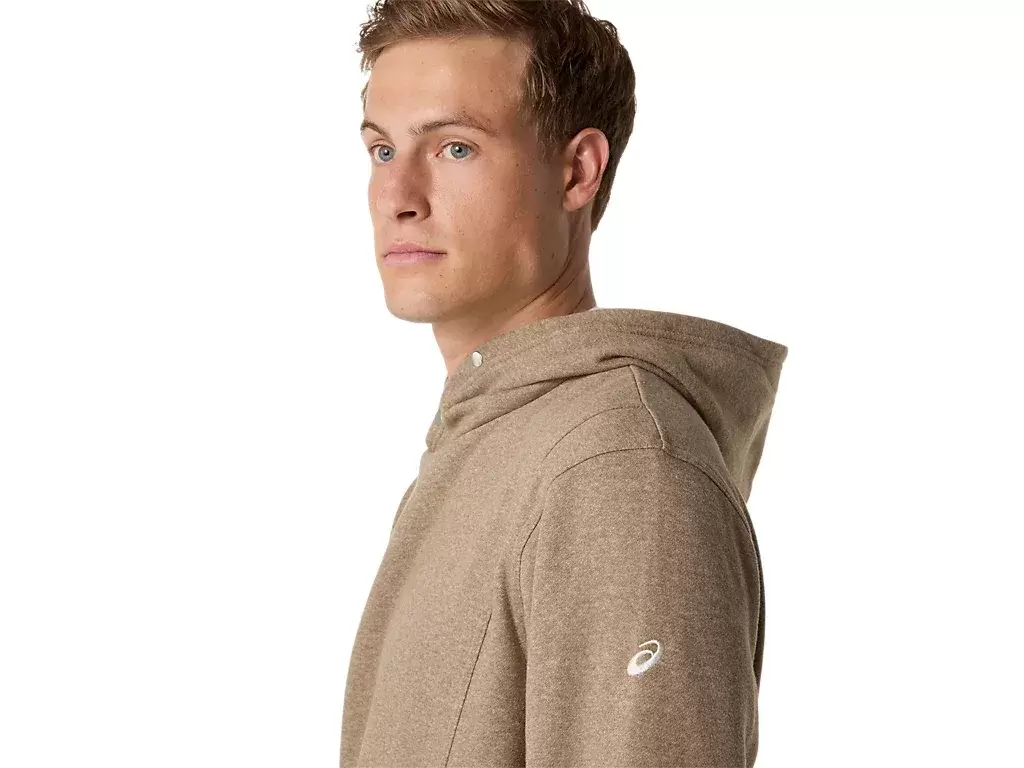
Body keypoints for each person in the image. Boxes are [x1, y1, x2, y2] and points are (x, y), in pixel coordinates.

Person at [341, 1, 788, 766]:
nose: (398, 196)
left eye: (454, 148)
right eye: (382, 151)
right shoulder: (497, 441)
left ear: (576, 171)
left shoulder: (619, 470)